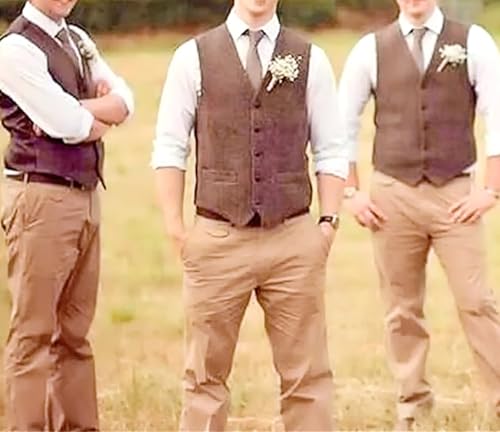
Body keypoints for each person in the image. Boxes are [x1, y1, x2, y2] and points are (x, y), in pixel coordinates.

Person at [152, 0, 348, 429]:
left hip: (294, 236)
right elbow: (170, 145)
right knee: (204, 377)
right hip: (217, 236)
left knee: (308, 375)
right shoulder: (192, 57)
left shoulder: (310, 58)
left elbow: (332, 148)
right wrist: (176, 229)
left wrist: (328, 224)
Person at [339, 0, 500, 429]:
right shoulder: (370, 49)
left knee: (477, 301)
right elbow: (342, 123)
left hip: (456, 194)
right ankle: (412, 406)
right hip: (393, 196)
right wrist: (350, 191)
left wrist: (491, 189)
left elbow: (498, 117)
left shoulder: (473, 42)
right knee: (401, 309)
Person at [0, 0, 134, 430]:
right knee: (33, 333)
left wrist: (83, 109)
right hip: (40, 198)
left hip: (86, 196)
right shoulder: (15, 50)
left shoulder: (77, 38)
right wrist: (90, 112)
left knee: (74, 333)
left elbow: (124, 102)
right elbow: (68, 124)